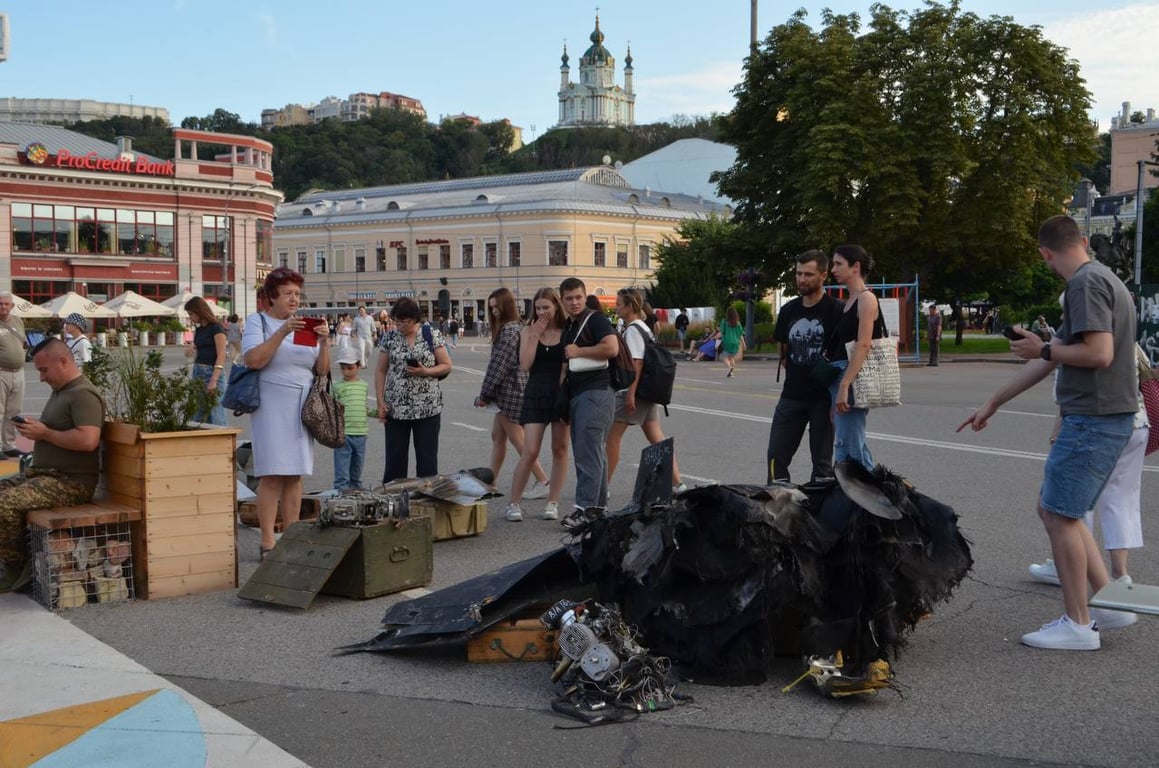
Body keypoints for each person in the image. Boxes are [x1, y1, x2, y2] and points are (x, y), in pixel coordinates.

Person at [958, 215, 1138, 651]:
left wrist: (1040, 346)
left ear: (1045, 253)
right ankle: (1108, 604)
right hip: (1104, 416)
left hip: (1093, 417)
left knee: (1057, 514)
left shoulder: (1083, 285)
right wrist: (994, 401)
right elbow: (1054, 357)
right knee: (1064, 512)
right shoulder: (1104, 277)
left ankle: (1078, 624)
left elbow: (1097, 353)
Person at [0, 338, 104, 592]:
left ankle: (18, 570)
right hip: (45, 475)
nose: (42, 378)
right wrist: (37, 429)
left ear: (64, 361)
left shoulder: (83, 395)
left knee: (5, 504)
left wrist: (45, 434)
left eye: (44, 370)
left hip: (70, 482)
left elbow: (88, 440)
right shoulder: (63, 391)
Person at [242, 266, 331, 558]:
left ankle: (291, 535)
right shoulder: (259, 322)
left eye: (297, 294)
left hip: (301, 404)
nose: (294, 299)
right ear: (272, 297)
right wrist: (281, 332)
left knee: (295, 474)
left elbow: (321, 370)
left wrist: (324, 342)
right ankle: (268, 540)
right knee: (271, 473)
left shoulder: (305, 324)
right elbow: (254, 360)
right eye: (288, 294)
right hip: (271, 404)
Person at [767, 250, 842, 484]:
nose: (801, 279)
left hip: (824, 398)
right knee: (775, 458)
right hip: (792, 396)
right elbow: (783, 351)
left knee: (822, 467)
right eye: (798, 274)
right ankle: (779, 510)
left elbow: (844, 356)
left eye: (808, 274)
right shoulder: (789, 310)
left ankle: (819, 515)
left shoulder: (837, 311)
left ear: (823, 275)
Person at [475, 288, 550, 521]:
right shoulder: (518, 328)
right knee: (497, 436)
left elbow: (499, 365)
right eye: (491, 308)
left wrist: (484, 394)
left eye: (497, 307)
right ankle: (492, 482)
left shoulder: (508, 331)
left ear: (507, 306)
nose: (494, 312)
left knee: (518, 440)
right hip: (514, 389)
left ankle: (542, 479)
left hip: (509, 392)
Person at [605, 288, 687, 493]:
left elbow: (637, 363)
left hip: (636, 391)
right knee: (656, 437)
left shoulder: (633, 329)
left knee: (611, 438)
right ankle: (678, 483)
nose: (616, 307)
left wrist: (630, 394)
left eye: (618, 304)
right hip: (648, 392)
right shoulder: (644, 326)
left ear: (630, 306)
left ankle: (601, 487)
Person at [558, 277, 618, 526]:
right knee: (595, 453)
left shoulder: (595, 319)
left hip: (596, 392)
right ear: (562, 300)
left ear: (585, 297)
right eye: (569, 298)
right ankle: (597, 509)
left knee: (587, 453)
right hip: (583, 393)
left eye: (578, 297)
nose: (574, 302)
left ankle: (585, 509)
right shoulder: (571, 325)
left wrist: (579, 351)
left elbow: (611, 348)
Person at [509, 287, 571, 521]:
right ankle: (513, 503)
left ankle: (552, 502)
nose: (543, 311)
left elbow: (566, 367)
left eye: (547, 306)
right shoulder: (528, 330)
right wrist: (535, 334)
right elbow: (524, 364)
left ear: (556, 306)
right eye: (538, 307)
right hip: (536, 391)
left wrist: (564, 396)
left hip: (561, 393)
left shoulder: (567, 331)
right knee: (530, 450)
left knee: (560, 448)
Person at [375, 297, 452, 483]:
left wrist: (425, 371)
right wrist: (380, 401)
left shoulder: (430, 334)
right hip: (396, 409)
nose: (400, 325)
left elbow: (446, 365)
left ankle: (425, 503)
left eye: (405, 321)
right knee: (395, 462)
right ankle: (393, 502)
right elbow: (380, 370)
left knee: (427, 462)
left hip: (427, 408)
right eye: (397, 320)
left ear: (415, 319)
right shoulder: (390, 337)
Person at [824, 244, 885, 472]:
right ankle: (872, 497)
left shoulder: (866, 299)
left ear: (855, 267)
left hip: (851, 378)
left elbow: (863, 345)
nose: (833, 269)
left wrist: (844, 385)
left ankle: (864, 501)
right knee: (851, 446)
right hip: (841, 378)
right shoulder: (850, 301)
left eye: (838, 264)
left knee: (849, 452)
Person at [185, 296, 228, 426]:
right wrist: (192, 349)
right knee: (198, 413)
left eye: (191, 313)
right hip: (198, 371)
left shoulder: (216, 327)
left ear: (199, 311)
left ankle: (222, 443)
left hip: (212, 372)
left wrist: (214, 380)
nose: (190, 317)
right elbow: (201, 347)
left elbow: (221, 355)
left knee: (216, 413)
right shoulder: (199, 330)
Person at [332, 346, 369, 491]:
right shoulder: (336, 387)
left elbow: (363, 407)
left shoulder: (364, 386)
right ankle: (340, 494)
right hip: (343, 434)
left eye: (350, 368)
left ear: (358, 365)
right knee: (342, 469)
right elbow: (331, 409)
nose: (346, 372)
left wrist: (379, 413)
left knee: (357, 468)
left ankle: (356, 493)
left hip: (361, 433)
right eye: (343, 368)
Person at [0, 290, 28, 460]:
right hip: (1, 372)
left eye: (6, 304)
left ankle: (8, 444)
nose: (3, 307)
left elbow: (21, 342)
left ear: (12, 305)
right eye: (0, 304)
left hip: (19, 372)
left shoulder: (18, 321)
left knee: (14, 410)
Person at [719, 307, 745, 377]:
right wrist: (744, 344)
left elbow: (721, 333)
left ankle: (729, 368)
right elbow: (740, 335)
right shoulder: (738, 323)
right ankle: (731, 373)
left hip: (727, 342)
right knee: (732, 358)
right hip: (735, 343)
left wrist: (714, 337)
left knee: (725, 357)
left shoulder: (724, 321)